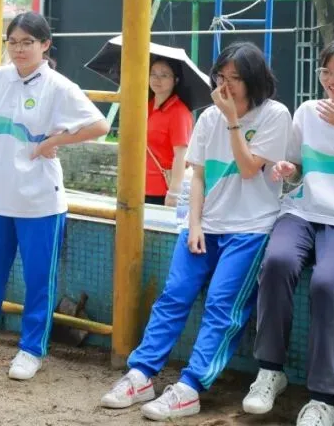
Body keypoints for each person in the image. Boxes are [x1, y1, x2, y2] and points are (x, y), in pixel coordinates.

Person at [100, 41, 290, 421]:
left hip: (250, 230)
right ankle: (142, 374)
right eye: (221, 76)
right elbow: (198, 176)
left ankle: (190, 386)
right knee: (174, 296)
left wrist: (233, 119)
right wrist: (195, 224)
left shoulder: (275, 115)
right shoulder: (207, 118)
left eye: (236, 78)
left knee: (222, 306)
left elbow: (250, 168)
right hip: (207, 225)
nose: (227, 85)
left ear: (254, 80)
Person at [0, 11, 109, 381]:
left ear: (45, 45)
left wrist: (55, 141)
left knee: (40, 278)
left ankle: (31, 350)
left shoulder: (58, 87)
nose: (19, 49)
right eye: (13, 42)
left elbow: (100, 125)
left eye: (28, 42)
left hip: (40, 201)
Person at [242, 40, 334, 426]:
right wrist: (287, 170)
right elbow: (296, 165)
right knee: (277, 262)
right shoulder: (307, 111)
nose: (332, 81)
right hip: (301, 210)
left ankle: (323, 397)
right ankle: (270, 371)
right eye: (327, 72)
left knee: (327, 286)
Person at [146, 57, 194, 206]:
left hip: (161, 190)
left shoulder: (179, 112)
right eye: (153, 73)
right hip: (136, 184)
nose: (156, 79)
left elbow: (181, 155)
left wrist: (174, 193)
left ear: (176, 80)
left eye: (164, 75)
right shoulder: (144, 105)